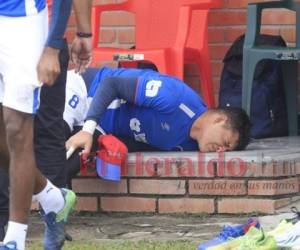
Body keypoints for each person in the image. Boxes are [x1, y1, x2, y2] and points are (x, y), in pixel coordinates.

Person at [0, 0, 92, 250]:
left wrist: (52, 47)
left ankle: (14, 240)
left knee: (19, 129)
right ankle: (53, 198)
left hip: (23, 23)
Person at [63, 66, 251, 155]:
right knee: (53, 136)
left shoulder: (191, 146)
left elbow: (143, 141)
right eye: (225, 142)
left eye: (226, 150)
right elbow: (111, 84)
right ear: (219, 120)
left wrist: (116, 146)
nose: (220, 150)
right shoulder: (176, 97)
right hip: (85, 92)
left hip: (101, 126)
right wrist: (88, 129)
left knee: (69, 159)